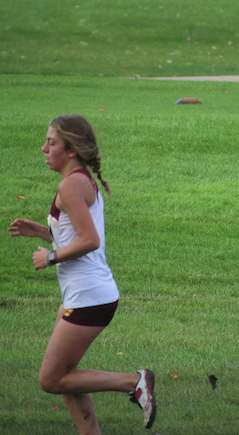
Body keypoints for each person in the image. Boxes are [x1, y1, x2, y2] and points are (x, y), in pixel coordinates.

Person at [8, 114, 156, 434]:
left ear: (71, 149)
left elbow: (90, 241)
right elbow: (75, 234)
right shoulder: (79, 180)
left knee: (51, 379)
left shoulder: (71, 184)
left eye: (51, 142)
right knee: (67, 376)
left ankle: (134, 382)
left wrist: (49, 257)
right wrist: (43, 232)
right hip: (85, 294)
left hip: (89, 297)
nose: (44, 148)